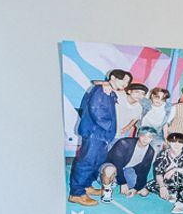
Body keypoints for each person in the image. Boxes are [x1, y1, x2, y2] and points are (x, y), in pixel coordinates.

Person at [68, 69, 128, 205]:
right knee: (86, 162)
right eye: (123, 80)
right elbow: (97, 111)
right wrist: (109, 127)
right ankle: (76, 194)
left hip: (101, 135)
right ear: (113, 77)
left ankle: (86, 186)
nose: (125, 84)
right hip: (95, 133)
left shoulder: (109, 91)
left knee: (96, 162)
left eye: (127, 82)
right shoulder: (101, 90)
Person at [99, 127, 160, 198]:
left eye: (149, 137)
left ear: (152, 139)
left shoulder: (150, 152)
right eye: (143, 136)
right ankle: (106, 190)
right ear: (138, 135)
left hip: (127, 169)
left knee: (144, 192)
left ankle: (114, 181)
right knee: (110, 170)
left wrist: (136, 189)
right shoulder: (124, 143)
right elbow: (117, 164)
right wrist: (123, 183)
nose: (145, 139)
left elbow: (144, 172)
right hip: (110, 165)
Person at [151, 132, 183, 214]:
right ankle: (173, 193)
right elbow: (158, 173)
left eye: (180, 142)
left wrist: (175, 169)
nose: (176, 144)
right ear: (169, 142)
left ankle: (181, 203)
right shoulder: (163, 154)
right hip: (170, 181)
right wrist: (162, 187)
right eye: (173, 141)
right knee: (150, 185)